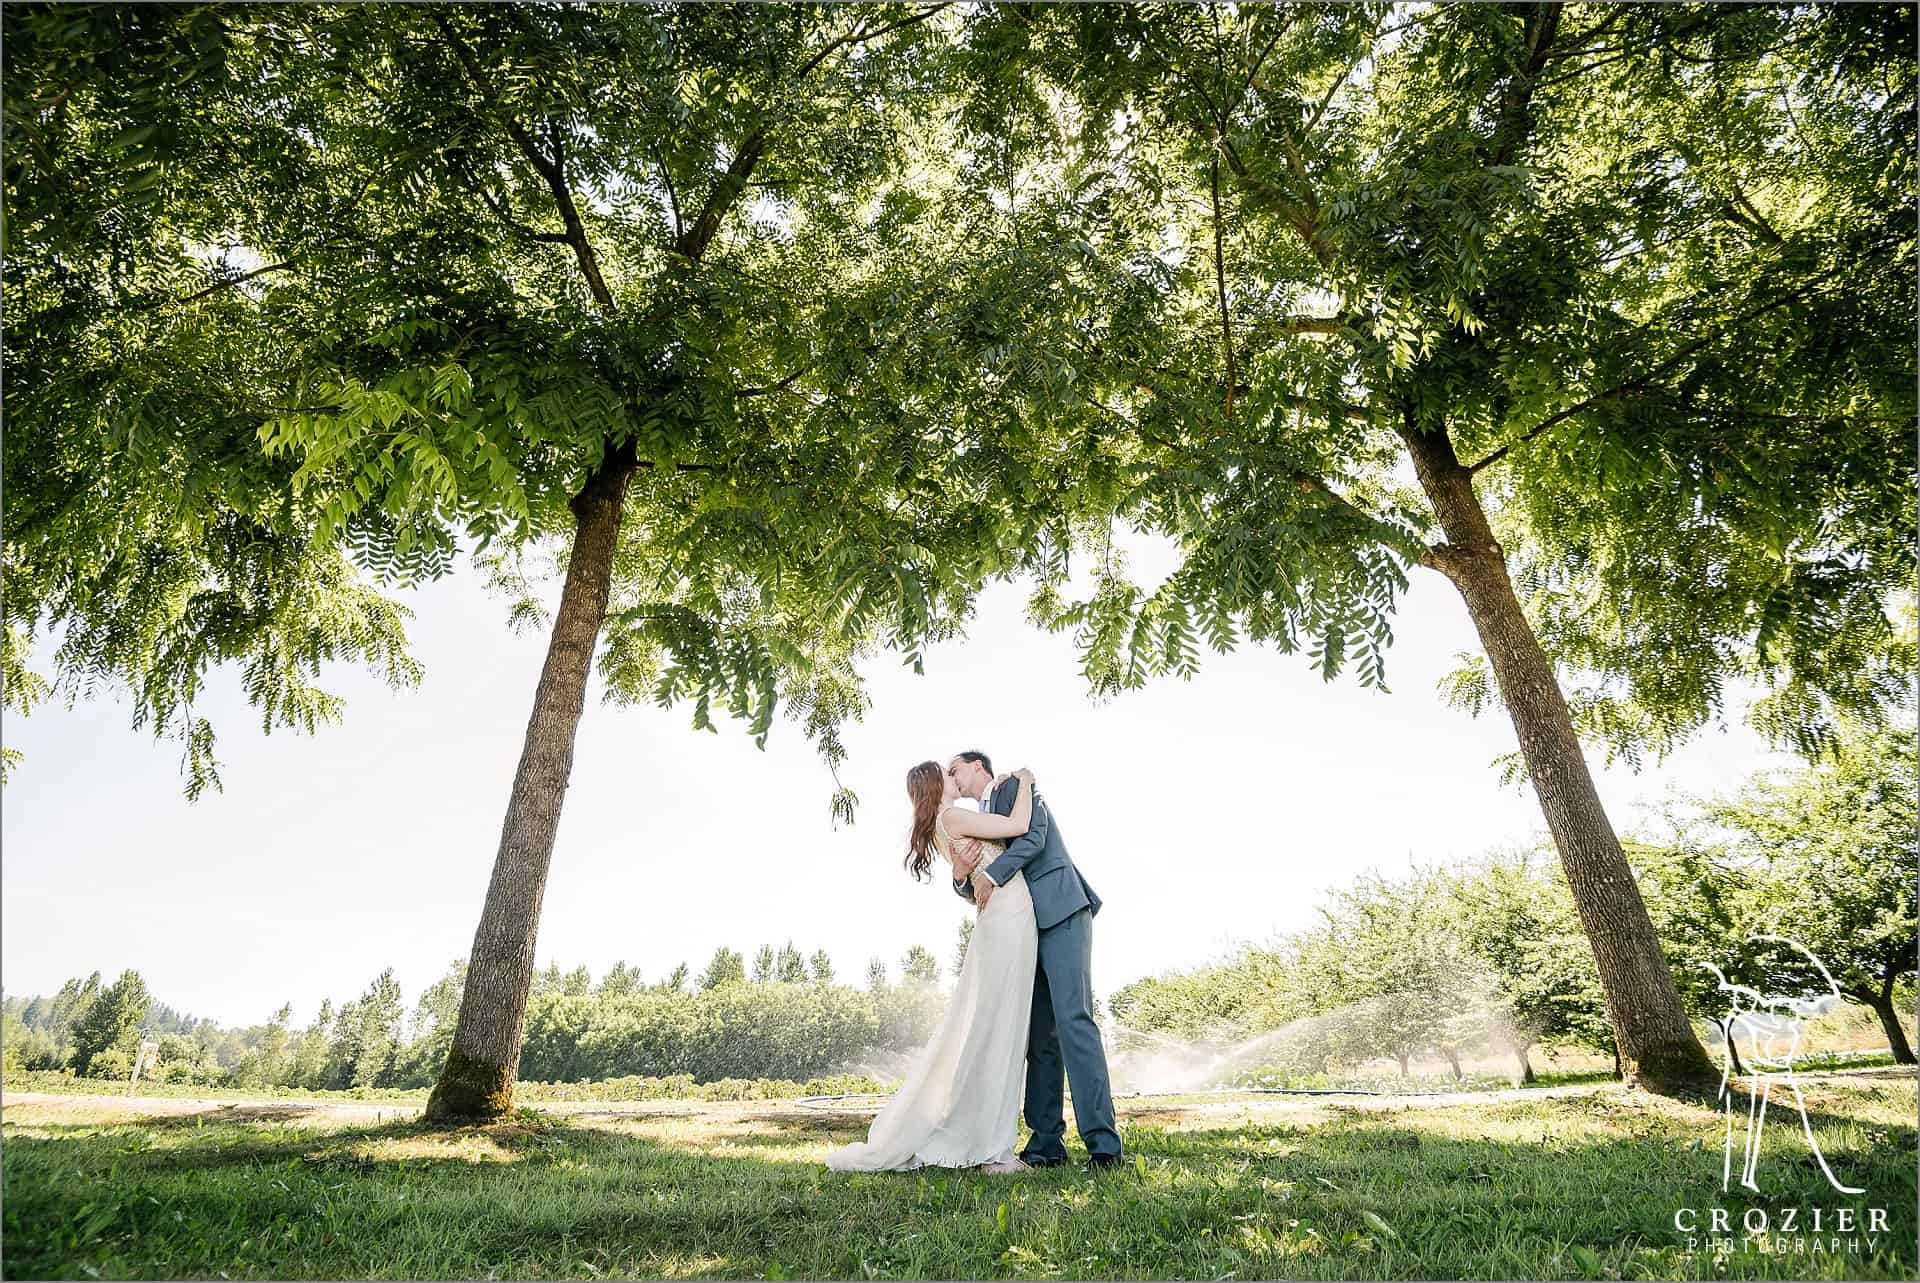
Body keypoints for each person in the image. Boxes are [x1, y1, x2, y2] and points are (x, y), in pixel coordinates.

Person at [825, 762, 1040, 1174]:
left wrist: (964, 875)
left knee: (997, 1028)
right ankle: (990, 1148)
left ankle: (991, 1141)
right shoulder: (953, 816)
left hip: (1002, 915)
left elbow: (974, 870)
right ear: (937, 784)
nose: (954, 778)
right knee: (999, 1030)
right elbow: (1018, 825)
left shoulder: (943, 824)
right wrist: (1027, 781)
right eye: (947, 773)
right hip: (1007, 914)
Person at [946, 750, 1124, 1171]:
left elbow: (1034, 838)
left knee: (1074, 1021)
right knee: (1039, 1037)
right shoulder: (974, 819)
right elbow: (977, 885)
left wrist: (991, 876)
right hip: (1022, 931)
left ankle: (1103, 1146)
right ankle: (1046, 1145)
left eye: (955, 769)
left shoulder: (1014, 786)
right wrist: (961, 876)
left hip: (1060, 909)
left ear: (977, 766)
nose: (951, 777)